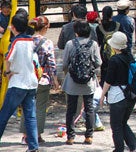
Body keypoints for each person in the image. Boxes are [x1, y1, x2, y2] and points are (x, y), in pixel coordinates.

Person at [0, 11, 40, 152]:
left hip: (18, 82)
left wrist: (7, 72)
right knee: (30, 116)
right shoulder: (31, 40)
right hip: (31, 82)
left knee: (4, 115)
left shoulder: (16, 41)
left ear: (14, 27)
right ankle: (33, 146)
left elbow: (8, 59)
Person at [19, 16, 59, 145]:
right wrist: (55, 80)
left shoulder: (26, 40)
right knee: (40, 108)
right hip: (43, 80)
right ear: (46, 27)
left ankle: (25, 135)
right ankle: (37, 135)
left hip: (27, 79)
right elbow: (52, 64)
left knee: (27, 107)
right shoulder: (47, 43)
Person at [62, 19, 102, 145]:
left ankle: (70, 137)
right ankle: (89, 136)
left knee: (71, 109)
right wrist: (90, 70)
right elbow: (98, 62)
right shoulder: (93, 44)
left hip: (72, 81)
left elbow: (64, 63)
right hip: (88, 81)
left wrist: (69, 73)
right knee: (89, 108)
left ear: (76, 31)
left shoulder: (70, 44)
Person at [98, 32, 136, 152]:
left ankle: (119, 149)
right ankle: (133, 145)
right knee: (123, 122)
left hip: (117, 95)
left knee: (116, 125)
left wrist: (102, 96)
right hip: (130, 94)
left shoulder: (114, 60)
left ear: (114, 46)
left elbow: (108, 80)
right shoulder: (130, 57)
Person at [96, 5, 120, 85]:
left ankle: (104, 86)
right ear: (112, 14)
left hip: (104, 52)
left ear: (102, 14)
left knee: (105, 69)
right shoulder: (117, 25)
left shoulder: (99, 27)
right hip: (116, 50)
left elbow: (99, 42)